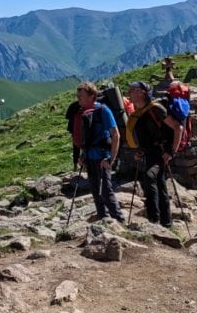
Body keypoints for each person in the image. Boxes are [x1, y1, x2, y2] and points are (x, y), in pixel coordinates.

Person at [125, 81, 182, 227]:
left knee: (149, 176)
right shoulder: (137, 113)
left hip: (161, 152)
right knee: (160, 185)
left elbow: (177, 128)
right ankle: (166, 222)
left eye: (132, 90)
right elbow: (145, 137)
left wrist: (171, 151)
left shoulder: (155, 109)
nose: (129, 92)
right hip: (149, 152)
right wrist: (139, 152)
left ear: (141, 93)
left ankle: (154, 220)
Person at [73, 82, 125, 222]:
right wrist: (82, 156)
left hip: (103, 157)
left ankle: (119, 221)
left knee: (106, 191)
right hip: (89, 157)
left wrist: (111, 159)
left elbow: (116, 135)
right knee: (96, 192)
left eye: (81, 96)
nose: (79, 98)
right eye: (78, 95)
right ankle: (104, 219)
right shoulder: (82, 112)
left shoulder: (103, 111)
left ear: (91, 96)